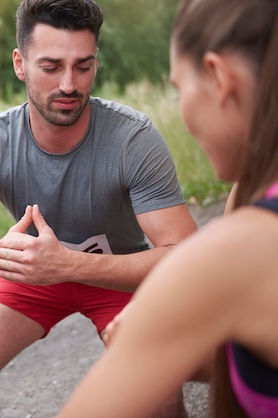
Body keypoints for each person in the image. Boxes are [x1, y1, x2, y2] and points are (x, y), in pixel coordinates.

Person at [0, 0, 197, 416]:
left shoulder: (133, 139)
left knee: (157, 389)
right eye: (51, 67)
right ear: (20, 64)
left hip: (117, 272)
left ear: (96, 62)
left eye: (83, 66)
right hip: (34, 270)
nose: (69, 84)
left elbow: (186, 258)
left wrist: (69, 265)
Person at [58, 0, 278, 417]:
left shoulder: (245, 243)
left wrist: (156, 331)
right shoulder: (246, 199)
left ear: (216, 77)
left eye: (178, 88)